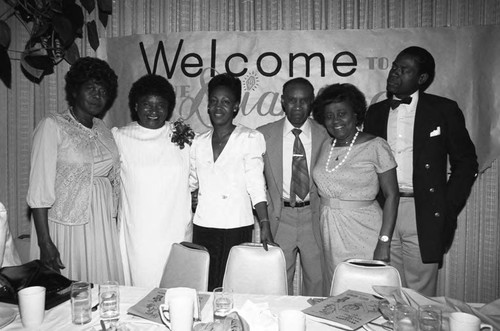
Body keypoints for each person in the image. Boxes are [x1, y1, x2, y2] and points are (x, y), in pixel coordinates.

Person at [364, 46, 478, 296]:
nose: (394, 73)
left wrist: (447, 204)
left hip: (424, 209)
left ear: (421, 78)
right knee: (385, 286)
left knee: (420, 293)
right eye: (394, 67)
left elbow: (466, 162)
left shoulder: (443, 110)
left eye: (404, 70)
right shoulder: (375, 112)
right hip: (383, 210)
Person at [27, 57, 124, 284]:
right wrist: (45, 241)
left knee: (101, 289)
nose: (97, 95)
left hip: (100, 223)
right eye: (90, 88)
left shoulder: (104, 129)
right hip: (67, 226)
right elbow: (39, 189)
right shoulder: (52, 126)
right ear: (74, 91)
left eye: (102, 91)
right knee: (69, 292)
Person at [189, 73, 275, 291]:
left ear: (236, 107)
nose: (219, 107)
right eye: (214, 101)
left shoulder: (249, 138)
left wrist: (264, 223)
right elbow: (191, 183)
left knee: (232, 285)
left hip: (236, 224)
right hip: (204, 224)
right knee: (205, 284)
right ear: (207, 106)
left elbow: (256, 185)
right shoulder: (198, 142)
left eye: (226, 102)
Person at [311, 83, 399, 293]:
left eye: (342, 113)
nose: (335, 121)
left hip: (364, 229)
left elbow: (392, 195)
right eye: (329, 115)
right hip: (331, 231)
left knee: (368, 289)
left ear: (356, 114)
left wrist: (384, 241)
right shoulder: (326, 145)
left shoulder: (376, 145)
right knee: (338, 290)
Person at [112, 74, 193, 287]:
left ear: (169, 107)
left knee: (176, 289)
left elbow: (194, 177)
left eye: (161, 105)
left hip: (175, 227)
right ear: (136, 105)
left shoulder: (181, 136)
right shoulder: (120, 138)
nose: (154, 111)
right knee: (142, 287)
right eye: (147, 105)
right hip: (139, 232)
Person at [257, 78, 329, 296]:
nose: (298, 107)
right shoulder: (262, 135)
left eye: (304, 101)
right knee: (277, 282)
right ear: (282, 102)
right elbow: (253, 180)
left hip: (313, 216)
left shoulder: (326, 134)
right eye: (292, 101)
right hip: (280, 217)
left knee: (317, 283)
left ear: (312, 102)